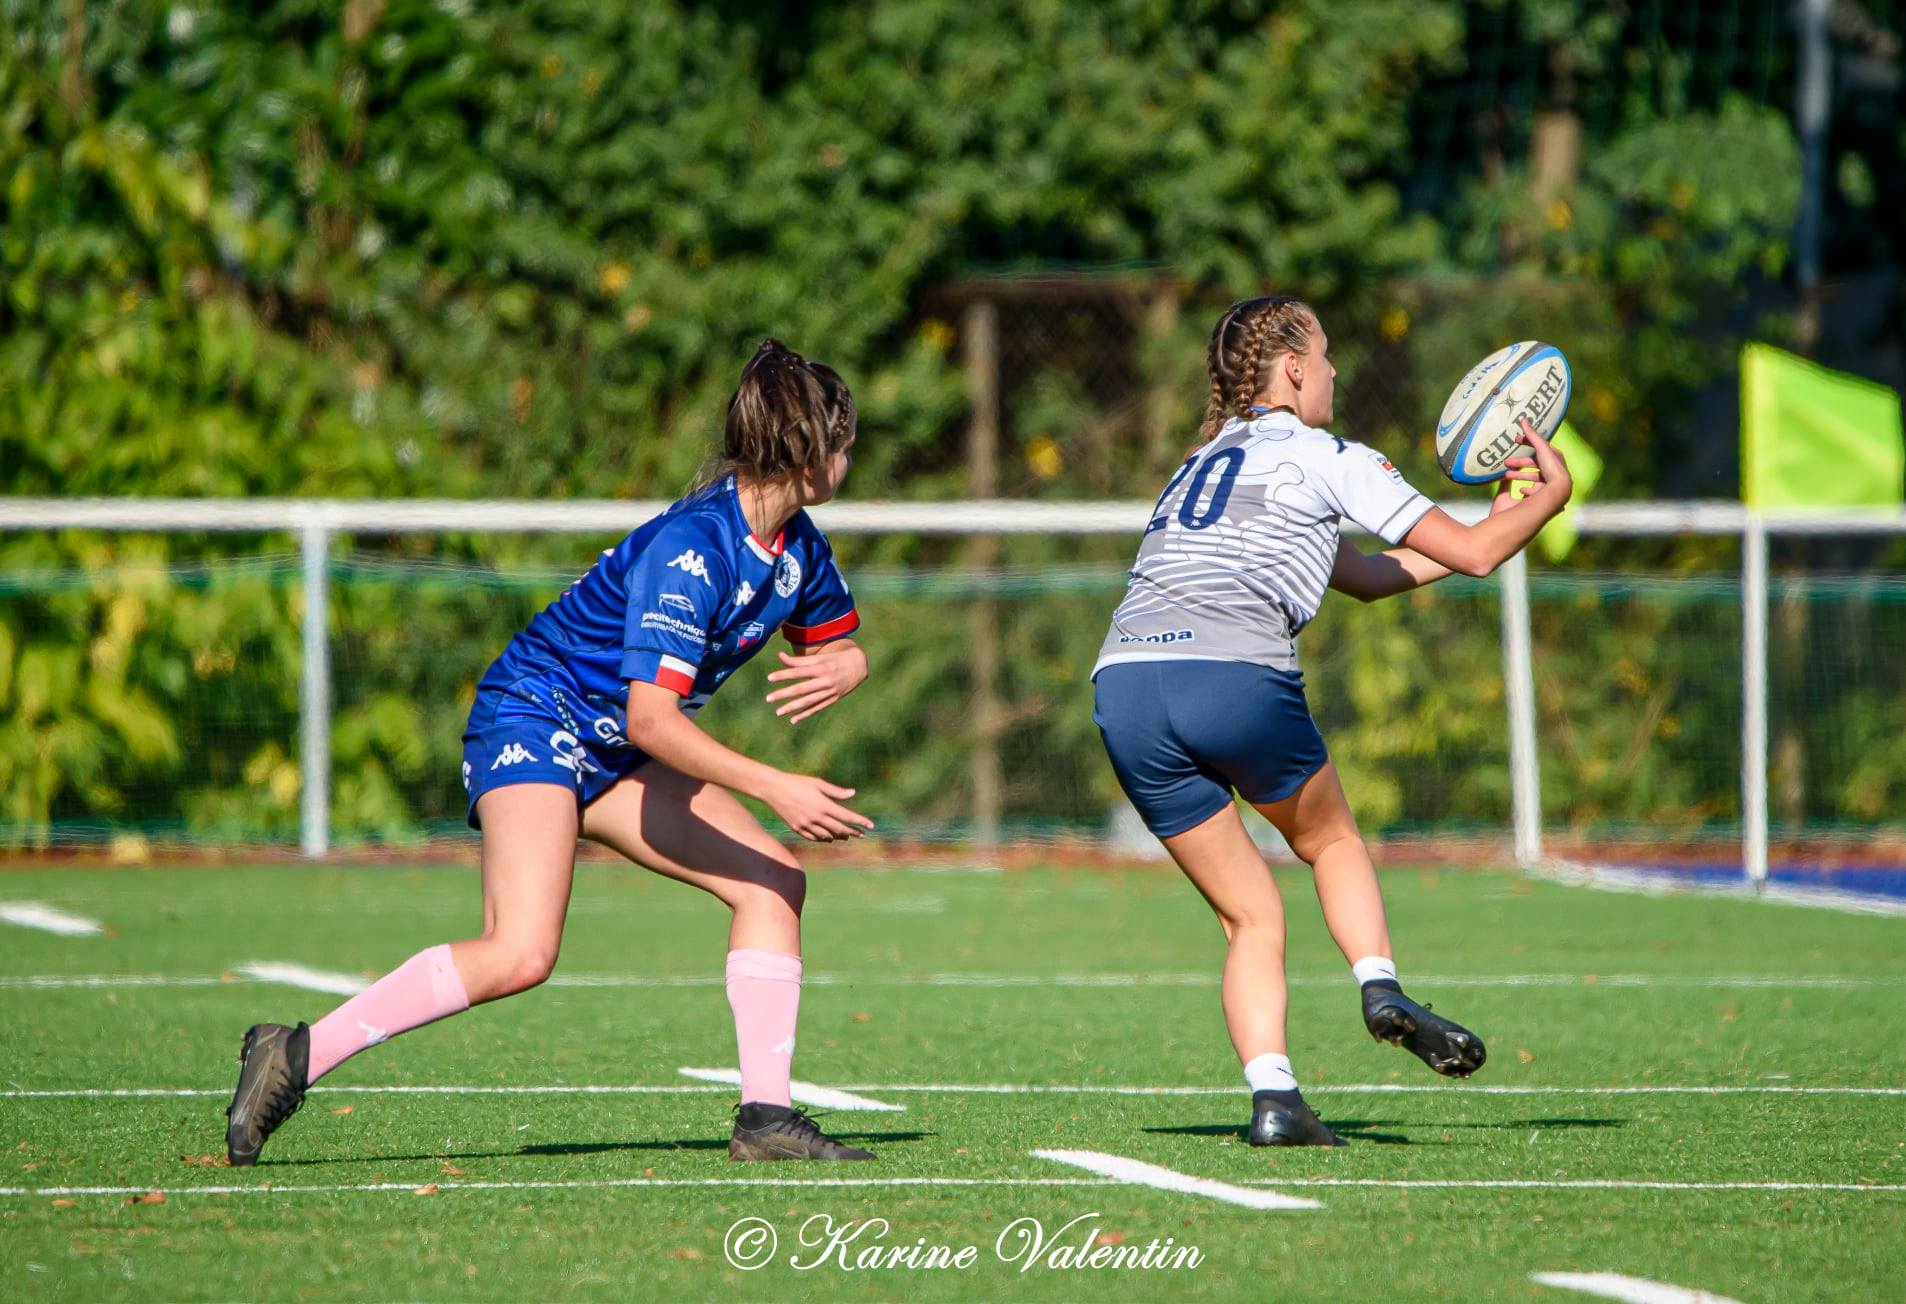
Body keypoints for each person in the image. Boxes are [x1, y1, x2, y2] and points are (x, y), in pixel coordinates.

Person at [225, 340, 881, 1165]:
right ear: (806, 450)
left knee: (774, 882)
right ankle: (294, 1054)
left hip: (615, 747)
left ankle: (766, 1120)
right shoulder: (693, 551)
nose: (850, 458)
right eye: (843, 442)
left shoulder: (796, 546)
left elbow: (831, 640)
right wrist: (775, 786)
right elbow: (653, 722)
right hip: (534, 718)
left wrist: (850, 662)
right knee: (521, 952)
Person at [1091, 296, 1572, 1146]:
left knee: (1251, 917)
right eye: (1326, 354)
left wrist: (1496, 520)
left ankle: (1276, 1101)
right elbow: (1475, 556)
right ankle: (1379, 985)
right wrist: (1547, 500)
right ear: (1293, 368)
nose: (1337, 370)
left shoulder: (1199, 463)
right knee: (1333, 840)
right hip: (1229, 675)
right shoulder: (1328, 455)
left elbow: (1369, 575)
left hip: (1124, 688)